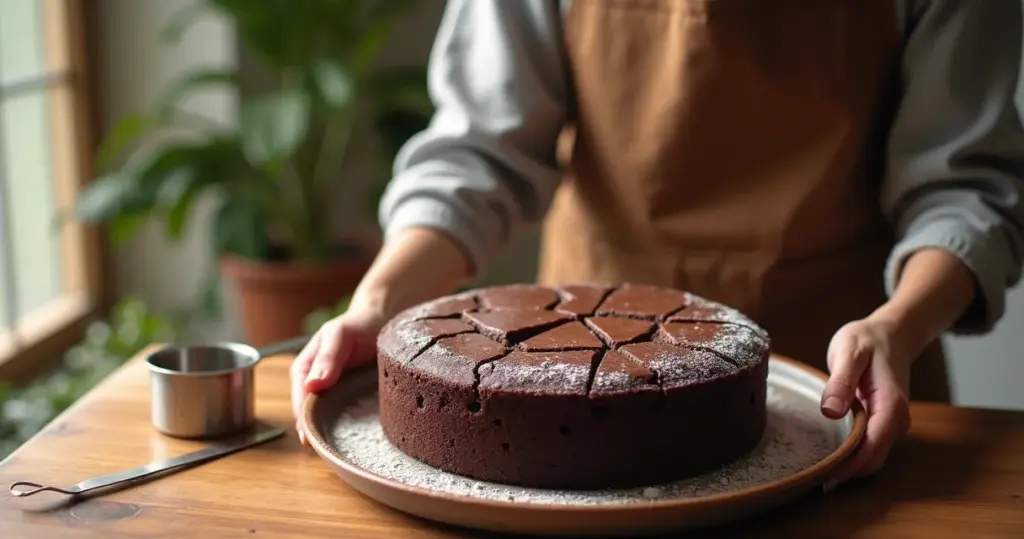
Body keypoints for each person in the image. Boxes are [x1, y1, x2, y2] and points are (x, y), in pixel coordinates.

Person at [292, 0, 1024, 491]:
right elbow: (480, 154)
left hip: (850, 394)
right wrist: (379, 303)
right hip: (564, 382)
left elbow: (963, 189)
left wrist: (897, 329)